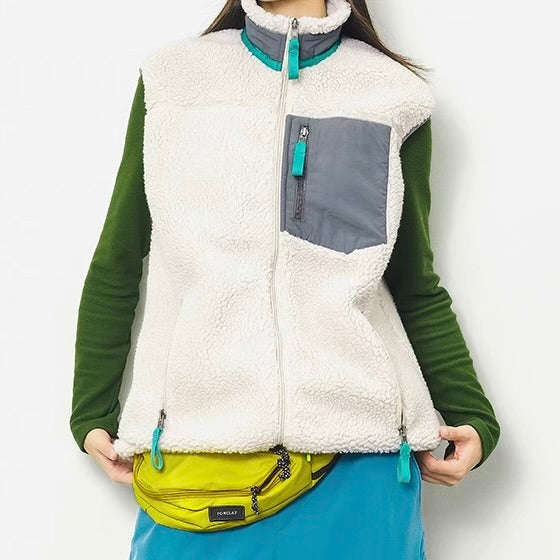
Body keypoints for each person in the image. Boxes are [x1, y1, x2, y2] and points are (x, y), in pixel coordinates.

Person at [69, 1, 501, 558]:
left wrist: (472, 416)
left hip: (360, 462)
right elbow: (119, 259)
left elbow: (413, 283)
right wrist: (91, 411)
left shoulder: (392, 94)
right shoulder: (174, 81)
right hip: (197, 458)